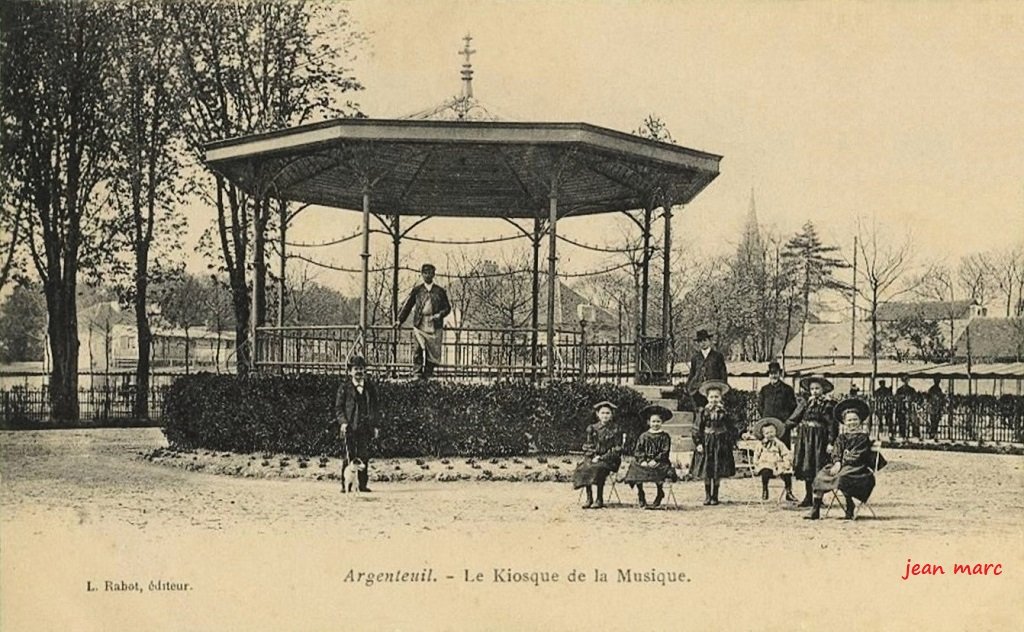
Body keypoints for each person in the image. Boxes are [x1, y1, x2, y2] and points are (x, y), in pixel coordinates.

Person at [805, 398, 884, 520]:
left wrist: (842, 463)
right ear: (844, 422)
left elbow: (857, 454)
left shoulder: (862, 438)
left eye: (855, 420)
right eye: (849, 420)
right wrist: (837, 462)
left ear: (860, 421)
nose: (852, 423)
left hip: (857, 468)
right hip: (840, 466)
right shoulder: (841, 438)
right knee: (820, 476)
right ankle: (815, 509)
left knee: (842, 477)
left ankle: (849, 505)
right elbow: (836, 451)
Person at [787, 375, 837, 508]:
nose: (814, 391)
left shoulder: (827, 405)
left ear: (823, 390)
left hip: (819, 439)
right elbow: (794, 418)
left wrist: (831, 442)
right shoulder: (806, 403)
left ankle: (818, 499)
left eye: (817, 388)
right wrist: (780, 428)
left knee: (817, 466)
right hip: (805, 438)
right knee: (806, 466)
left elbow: (832, 424)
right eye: (812, 389)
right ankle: (807, 496)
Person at [395, 263, 452, 379]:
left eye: (430, 273)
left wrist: (439, 315)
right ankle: (417, 374)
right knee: (417, 349)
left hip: (434, 325)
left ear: (433, 274)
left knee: (432, 351)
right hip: (420, 324)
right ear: (421, 275)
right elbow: (408, 306)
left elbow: (447, 308)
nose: (427, 275)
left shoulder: (440, 291)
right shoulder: (417, 290)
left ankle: (428, 374)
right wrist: (399, 320)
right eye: (425, 273)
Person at [335, 355, 379, 492]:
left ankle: (362, 485)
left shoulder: (370, 387)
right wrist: (342, 422)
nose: (359, 372)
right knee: (349, 456)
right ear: (350, 371)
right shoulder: (344, 388)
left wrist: (375, 425)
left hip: (365, 427)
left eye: (361, 369)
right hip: (349, 427)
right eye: (356, 369)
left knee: (364, 455)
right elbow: (339, 408)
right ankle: (346, 485)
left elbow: (375, 407)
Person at [622, 405, 678, 509]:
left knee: (660, 469)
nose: (655, 424)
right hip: (645, 462)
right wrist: (643, 460)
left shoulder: (665, 436)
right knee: (635, 466)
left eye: (658, 421)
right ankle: (641, 493)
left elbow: (665, 451)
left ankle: (659, 492)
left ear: (662, 422)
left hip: (660, 462)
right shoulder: (644, 436)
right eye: (653, 421)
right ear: (648, 422)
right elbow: (638, 450)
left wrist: (655, 460)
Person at [691, 381, 738, 506]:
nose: (714, 400)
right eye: (711, 397)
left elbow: (731, 426)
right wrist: (698, 443)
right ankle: (707, 495)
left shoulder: (725, 412)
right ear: (707, 398)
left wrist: (730, 441)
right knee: (708, 468)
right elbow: (697, 428)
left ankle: (715, 495)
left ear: (721, 397)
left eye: (716, 397)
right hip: (707, 441)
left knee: (718, 468)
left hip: (720, 442)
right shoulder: (703, 412)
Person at [572, 401, 623, 509]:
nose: (605, 415)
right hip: (593, 457)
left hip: (610, 459)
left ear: (611, 415)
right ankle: (589, 497)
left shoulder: (616, 429)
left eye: (608, 413)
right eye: (603, 413)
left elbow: (617, 448)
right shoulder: (592, 428)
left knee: (599, 468)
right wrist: (592, 456)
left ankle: (599, 498)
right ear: (598, 414)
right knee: (583, 467)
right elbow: (588, 445)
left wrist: (601, 457)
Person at [752, 417, 796, 501]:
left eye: (772, 432)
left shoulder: (779, 443)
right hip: (766, 463)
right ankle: (765, 490)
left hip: (777, 464)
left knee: (787, 473)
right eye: (767, 433)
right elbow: (756, 454)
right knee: (765, 472)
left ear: (776, 432)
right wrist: (756, 464)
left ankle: (788, 492)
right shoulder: (760, 445)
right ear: (763, 434)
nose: (770, 434)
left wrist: (786, 463)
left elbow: (785, 453)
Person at [684, 329, 728, 409]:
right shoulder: (695, 357)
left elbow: (723, 373)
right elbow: (692, 373)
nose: (702, 343)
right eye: (700, 341)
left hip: (712, 390)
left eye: (704, 340)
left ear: (709, 341)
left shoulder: (717, 356)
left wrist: (722, 388)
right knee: (699, 412)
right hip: (698, 391)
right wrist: (688, 386)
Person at [757, 361, 797, 446]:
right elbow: (760, 406)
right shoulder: (764, 389)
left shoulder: (787, 389)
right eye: (771, 373)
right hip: (768, 425)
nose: (773, 376)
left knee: (783, 448)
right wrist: (766, 417)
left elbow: (793, 407)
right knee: (768, 449)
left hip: (782, 425)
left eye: (775, 373)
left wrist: (786, 422)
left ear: (780, 374)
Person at [895, 375, 917, 439]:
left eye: (906, 380)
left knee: (912, 421)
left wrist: (910, 399)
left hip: (910, 408)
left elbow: (915, 398)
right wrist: (902, 398)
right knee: (902, 422)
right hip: (901, 408)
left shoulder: (912, 389)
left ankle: (913, 435)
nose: (905, 382)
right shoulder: (899, 390)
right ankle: (903, 435)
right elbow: (896, 398)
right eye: (904, 380)